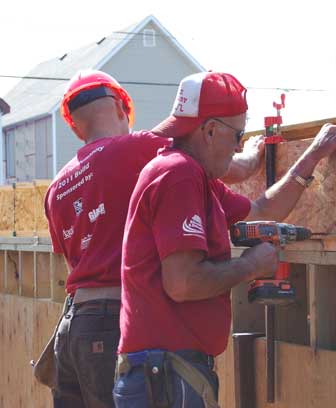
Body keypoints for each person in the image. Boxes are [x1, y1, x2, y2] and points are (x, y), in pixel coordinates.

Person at [114, 71, 336, 407]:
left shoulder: (196, 176)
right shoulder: (178, 175)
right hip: (165, 374)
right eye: (238, 134)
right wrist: (249, 266)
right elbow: (183, 283)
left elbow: (260, 210)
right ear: (210, 130)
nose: (241, 145)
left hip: (167, 370)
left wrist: (312, 156)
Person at [43, 70, 264, 408]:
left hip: (72, 328)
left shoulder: (56, 187)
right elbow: (226, 164)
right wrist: (251, 153)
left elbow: (69, 262)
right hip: (114, 322)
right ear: (121, 108)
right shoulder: (140, 149)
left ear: (73, 125)